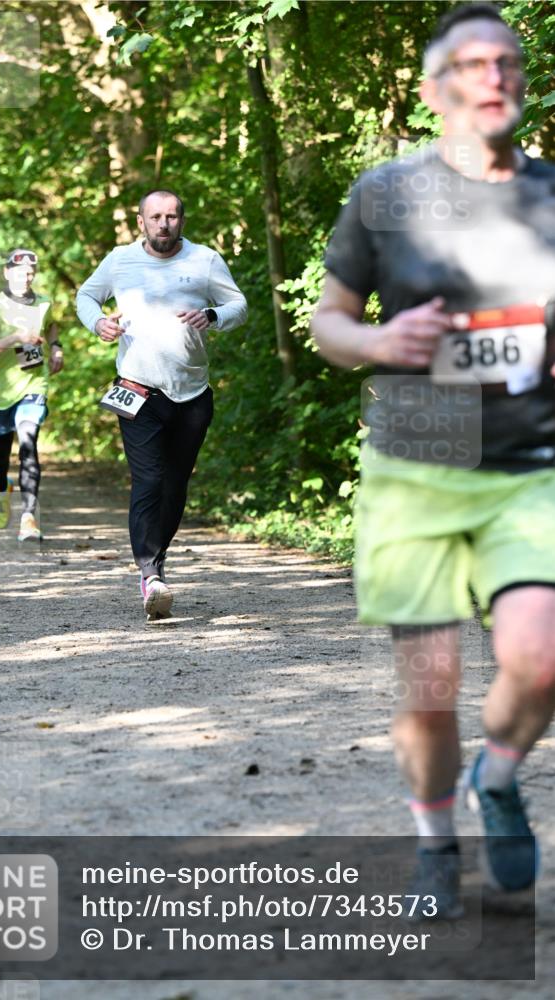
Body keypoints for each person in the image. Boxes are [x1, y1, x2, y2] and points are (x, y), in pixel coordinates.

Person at [311, 3, 555, 918]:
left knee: (539, 659)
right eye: (471, 63)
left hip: (529, 460)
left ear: (521, 83)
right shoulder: (385, 195)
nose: (491, 76)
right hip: (414, 464)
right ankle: (434, 847)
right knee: (430, 686)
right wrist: (379, 342)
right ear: (433, 90)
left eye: (507, 62)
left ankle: (496, 779)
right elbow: (328, 324)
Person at [76, 190, 247, 619]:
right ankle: (150, 574)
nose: (164, 224)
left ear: (182, 222)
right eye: (156, 217)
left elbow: (238, 305)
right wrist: (97, 321)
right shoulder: (120, 260)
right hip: (137, 389)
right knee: (148, 479)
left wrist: (212, 316)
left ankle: (156, 562)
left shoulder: (204, 260)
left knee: (175, 482)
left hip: (191, 393)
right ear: (141, 223)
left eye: (172, 216)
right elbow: (86, 296)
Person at [0, 249, 63, 542]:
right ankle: (2, 489)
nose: (26, 277)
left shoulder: (43, 303)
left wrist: (57, 348)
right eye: (20, 272)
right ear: (6, 272)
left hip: (34, 385)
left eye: (30, 272)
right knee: (0, 455)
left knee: (28, 442)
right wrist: (15, 338)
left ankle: (28, 517)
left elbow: (51, 326)